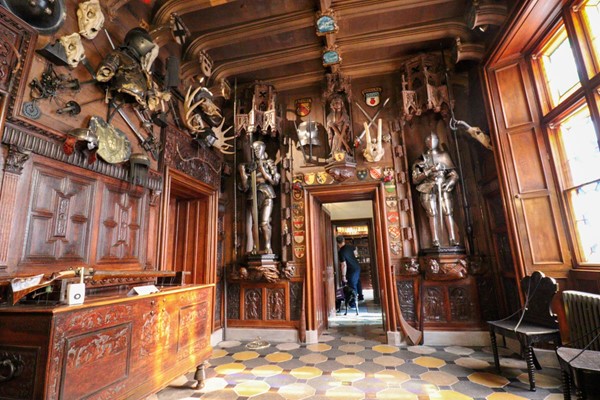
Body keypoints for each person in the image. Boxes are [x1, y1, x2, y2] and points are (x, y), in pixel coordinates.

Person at [411, 132, 460, 248]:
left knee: (448, 211)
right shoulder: (420, 160)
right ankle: (435, 239)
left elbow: (454, 174)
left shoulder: (444, 156)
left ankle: (453, 238)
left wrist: (450, 182)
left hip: (443, 186)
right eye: (429, 139)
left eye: (434, 139)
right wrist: (429, 170)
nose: (431, 141)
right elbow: (415, 179)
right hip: (427, 187)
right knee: (432, 213)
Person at [239, 141, 281, 254]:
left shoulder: (269, 163)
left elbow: (274, 181)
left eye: (258, 148)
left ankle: (268, 247)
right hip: (253, 193)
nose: (256, 151)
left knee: (264, 222)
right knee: (255, 223)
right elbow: (245, 187)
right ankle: (255, 247)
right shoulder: (250, 165)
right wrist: (243, 174)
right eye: (254, 149)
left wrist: (262, 169)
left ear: (263, 148)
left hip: (267, 193)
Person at [336, 235, 362, 307]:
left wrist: (343, 276)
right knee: (357, 282)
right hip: (357, 266)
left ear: (337, 243)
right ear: (344, 240)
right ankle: (360, 297)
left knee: (352, 285)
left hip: (351, 269)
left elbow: (344, 265)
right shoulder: (351, 247)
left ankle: (353, 304)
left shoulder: (341, 252)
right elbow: (356, 254)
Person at [326, 94, 352, 160]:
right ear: (333, 105)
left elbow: (344, 129)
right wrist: (345, 145)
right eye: (335, 103)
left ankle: (343, 153)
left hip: (343, 135)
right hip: (336, 134)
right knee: (336, 139)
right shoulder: (330, 116)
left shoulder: (345, 115)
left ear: (341, 104)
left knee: (342, 141)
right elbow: (335, 130)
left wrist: (345, 144)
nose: (337, 105)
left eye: (339, 103)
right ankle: (335, 154)